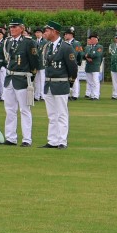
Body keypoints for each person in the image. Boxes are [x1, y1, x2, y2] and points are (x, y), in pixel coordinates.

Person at [40, 21, 79, 149]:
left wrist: (70, 83)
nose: (45, 33)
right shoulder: (47, 46)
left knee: (61, 114)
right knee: (52, 115)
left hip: (61, 83)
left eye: (47, 31)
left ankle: (62, 141)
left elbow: (73, 68)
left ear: (54, 31)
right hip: (49, 83)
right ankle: (52, 140)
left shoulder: (66, 47)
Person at [1, 20, 39, 146]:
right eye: (11, 27)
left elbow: (34, 61)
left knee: (25, 110)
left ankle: (27, 139)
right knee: (10, 109)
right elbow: (7, 59)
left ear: (22, 29)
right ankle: (10, 137)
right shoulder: (8, 41)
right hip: (10, 78)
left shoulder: (28, 42)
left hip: (22, 78)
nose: (12, 29)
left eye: (15, 27)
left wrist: (31, 77)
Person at [64, 27, 84, 100]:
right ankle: (68, 94)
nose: (65, 36)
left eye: (66, 34)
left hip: (73, 63)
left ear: (71, 35)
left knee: (74, 79)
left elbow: (80, 54)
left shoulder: (76, 43)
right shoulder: (64, 43)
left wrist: (78, 62)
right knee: (67, 79)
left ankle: (75, 95)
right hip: (66, 63)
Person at [32, 27, 47, 102]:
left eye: (39, 32)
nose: (37, 34)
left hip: (42, 63)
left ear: (42, 33)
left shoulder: (45, 42)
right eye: (36, 32)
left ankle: (43, 95)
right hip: (35, 63)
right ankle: (36, 95)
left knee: (42, 79)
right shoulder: (34, 42)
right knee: (36, 80)